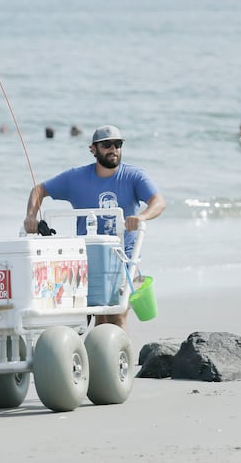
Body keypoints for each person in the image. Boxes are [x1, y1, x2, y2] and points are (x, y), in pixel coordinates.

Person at [23, 125, 166, 331]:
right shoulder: (76, 177)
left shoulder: (134, 176)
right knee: (83, 319)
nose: (113, 149)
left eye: (118, 144)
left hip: (122, 257)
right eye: (107, 145)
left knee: (116, 314)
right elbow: (39, 190)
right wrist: (30, 217)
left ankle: (117, 360)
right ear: (93, 149)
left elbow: (158, 202)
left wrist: (141, 217)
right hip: (87, 257)